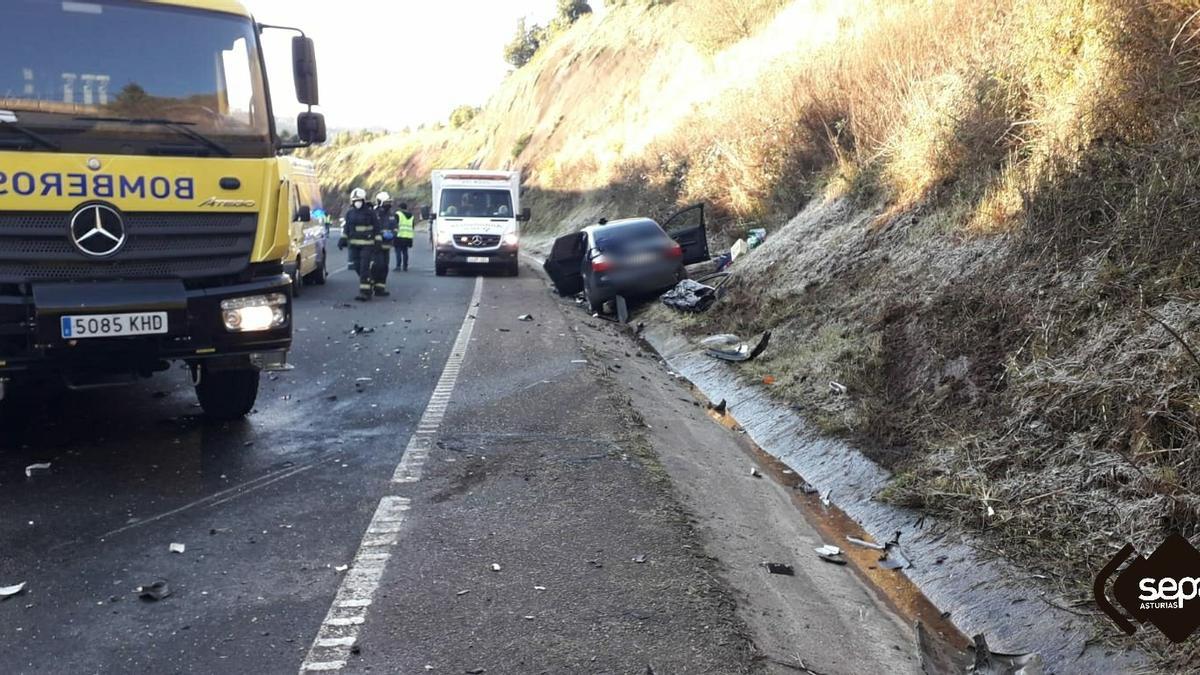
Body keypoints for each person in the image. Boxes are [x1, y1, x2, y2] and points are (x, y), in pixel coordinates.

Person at [338, 187, 379, 301]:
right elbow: (347, 228)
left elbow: (377, 228)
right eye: (355, 200)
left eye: (359, 200)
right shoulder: (350, 213)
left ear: (364, 200)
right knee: (357, 267)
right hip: (354, 246)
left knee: (364, 268)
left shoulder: (370, 213)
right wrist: (342, 240)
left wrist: (377, 242)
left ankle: (365, 292)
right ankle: (369, 281)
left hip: (367, 245)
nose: (357, 203)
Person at [372, 192, 396, 297]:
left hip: (387, 246)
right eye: (386, 202)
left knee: (385, 267)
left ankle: (380, 289)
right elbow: (373, 228)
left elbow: (395, 227)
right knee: (378, 266)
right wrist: (382, 234)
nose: (388, 204)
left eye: (389, 202)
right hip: (377, 245)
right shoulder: (374, 213)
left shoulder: (391, 214)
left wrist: (393, 233)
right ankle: (372, 283)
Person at [394, 202, 415, 271]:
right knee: (405, 251)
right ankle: (405, 266)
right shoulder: (411, 216)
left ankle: (398, 266)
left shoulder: (398, 214)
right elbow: (412, 226)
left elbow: (395, 225)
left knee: (398, 251)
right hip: (408, 236)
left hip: (399, 235)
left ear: (400, 208)